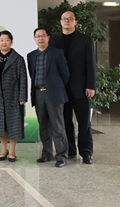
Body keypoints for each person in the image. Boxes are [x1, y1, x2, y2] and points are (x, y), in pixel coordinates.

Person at [49, 11, 96, 164]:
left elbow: (91, 64)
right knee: (65, 122)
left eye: (70, 19)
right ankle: (69, 150)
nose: (67, 21)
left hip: (81, 87)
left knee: (84, 122)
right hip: (61, 88)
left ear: (75, 22)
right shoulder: (54, 40)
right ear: (60, 21)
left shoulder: (85, 40)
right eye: (64, 18)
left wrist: (91, 85)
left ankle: (86, 153)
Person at [27, 28, 70, 168]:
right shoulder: (31, 56)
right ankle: (46, 154)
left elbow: (65, 74)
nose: (40, 38)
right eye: (37, 36)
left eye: (43, 36)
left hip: (54, 93)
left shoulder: (57, 53)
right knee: (43, 126)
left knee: (58, 126)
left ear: (48, 37)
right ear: (34, 39)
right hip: (38, 94)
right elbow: (32, 74)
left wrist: (56, 87)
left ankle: (62, 156)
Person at [0, 30, 27, 162]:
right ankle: (3, 150)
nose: (4, 42)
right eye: (1, 40)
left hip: (13, 96)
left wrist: (22, 96)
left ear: (11, 42)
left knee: (13, 124)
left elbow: (23, 78)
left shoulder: (18, 58)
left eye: (7, 40)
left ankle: (12, 151)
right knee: (1, 125)